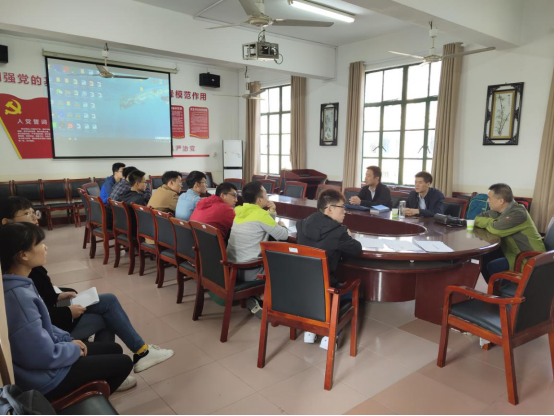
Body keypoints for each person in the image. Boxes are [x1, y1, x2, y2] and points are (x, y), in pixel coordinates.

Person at [0, 196, 175, 378]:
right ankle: (115, 368)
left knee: (108, 301)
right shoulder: (17, 279)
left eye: (33, 212)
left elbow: (41, 295)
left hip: (54, 314)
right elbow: (39, 325)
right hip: (56, 323)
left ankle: (129, 359)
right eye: (26, 214)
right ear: (6, 222)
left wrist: (57, 294)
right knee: (107, 315)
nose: (35, 218)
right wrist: (68, 313)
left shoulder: (19, 266)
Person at [1, 222, 133, 399]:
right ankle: (85, 400)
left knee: (115, 348)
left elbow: (45, 327)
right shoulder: (18, 297)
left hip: (50, 360)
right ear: (23, 255)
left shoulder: (20, 282)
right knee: (124, 363)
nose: (45, 247)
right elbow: (42, 356)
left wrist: (67, 340)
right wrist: (71, 349)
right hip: (46, 379)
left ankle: (93, 390)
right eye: (40, 243)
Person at [297, 189, 363, 350]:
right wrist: (348, 235)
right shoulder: (338, 232)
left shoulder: (302, 224)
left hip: (302, 290)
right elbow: (357, 249)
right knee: (355, 291)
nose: (345, 211)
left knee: (319, 286)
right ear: (329, 209)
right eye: (342, 207)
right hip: (327, 291)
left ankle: (311, 330)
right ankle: (331, 333)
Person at [227, 181, 289, 317]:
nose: (268, 197)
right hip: (251, 272)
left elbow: (262, 225)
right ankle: (263, 298)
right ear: (259, 200)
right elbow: (283, 236)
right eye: (266, 194)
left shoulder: (240, 211)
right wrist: (282, 225)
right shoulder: (260, 215)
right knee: (285, 264)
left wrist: (271, 213)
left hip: (233, 269)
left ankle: (257, 297)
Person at [476, 183, 546, 283]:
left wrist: (494, 224)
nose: (487, 201)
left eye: (489, 198)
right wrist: (495, 222)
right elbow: (477, 219)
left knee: (491, 265)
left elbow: (495, 230)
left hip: (528, 260)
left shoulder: (518, 213)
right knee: (483, 257)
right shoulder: (498, 211)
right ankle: (497, 289)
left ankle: (507, 290)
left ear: (501, 201)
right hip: (512, 253)